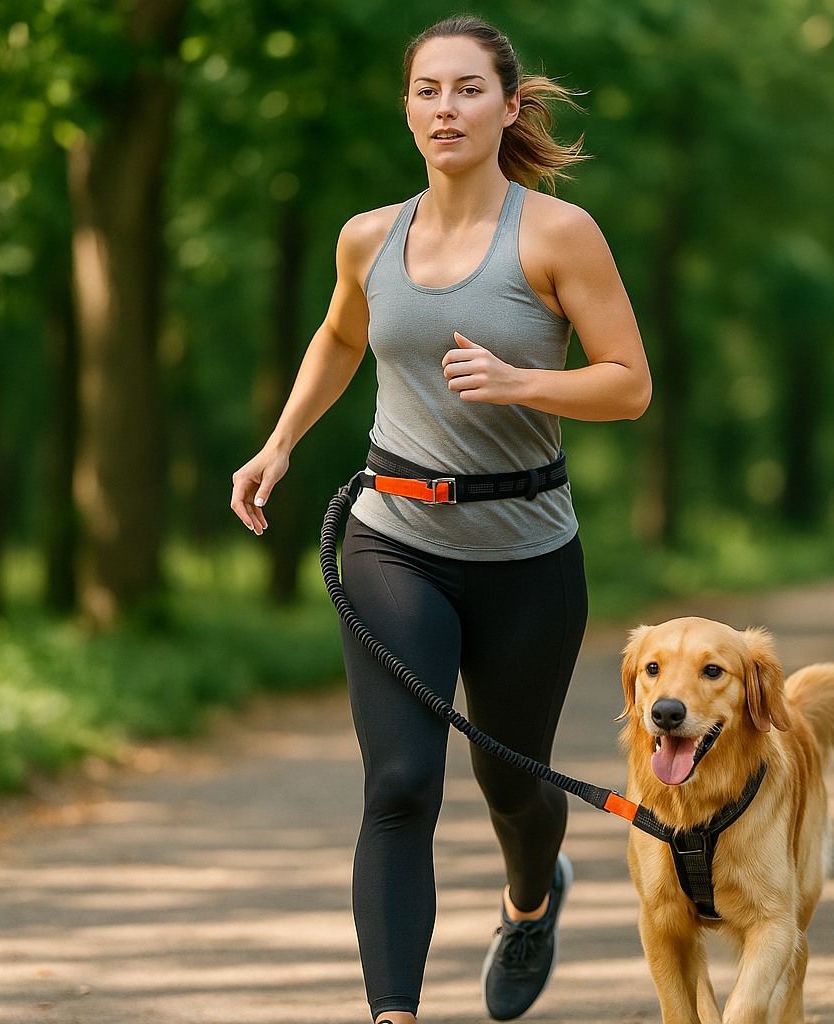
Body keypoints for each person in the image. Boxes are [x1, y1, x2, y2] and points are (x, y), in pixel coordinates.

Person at [230, 16, 651, 1023]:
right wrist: (280, 441)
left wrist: (521, 382)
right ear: (408, 108)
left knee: (510, 785)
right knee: (401, 782)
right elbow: (339, 336)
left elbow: (629, 385)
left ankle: (531, 896)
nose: (445, 108)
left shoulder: (557, 234)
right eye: (427, 90)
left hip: (526, 551)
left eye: (468, 90)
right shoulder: (369, 236)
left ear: (509, 107)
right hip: (395, 538)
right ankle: (394, 1013)